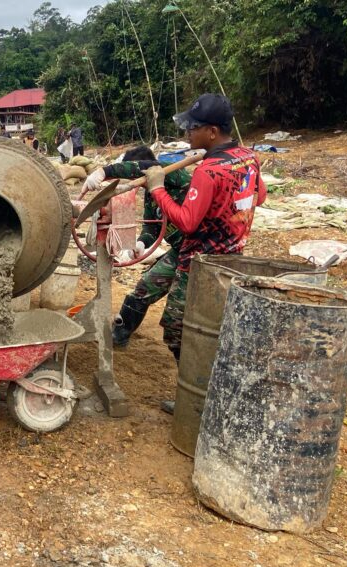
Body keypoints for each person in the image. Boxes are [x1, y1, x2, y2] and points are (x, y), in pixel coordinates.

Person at [142, 93, 266, 396]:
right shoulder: (247, 157)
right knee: (212, 325)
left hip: (200, 263)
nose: (188, 133)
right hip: (233, 257)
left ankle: (197, 395)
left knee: (175, 329)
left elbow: (186, 222)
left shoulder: (209, 172)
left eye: (193, 127)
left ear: (212, 131)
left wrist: (158, 189)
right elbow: (259, 197)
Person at [81, 146, 192, 348]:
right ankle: (120, 334)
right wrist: (142, 243)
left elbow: (140, 168)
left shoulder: (173, 173)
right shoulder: (152, 192)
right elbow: (152, 226)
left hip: (199, 252)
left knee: (181, 314)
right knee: (143, 289)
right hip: (179, 252)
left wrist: (103, 172)